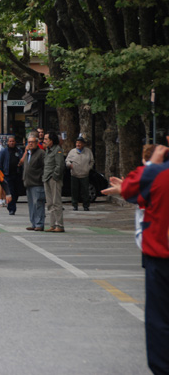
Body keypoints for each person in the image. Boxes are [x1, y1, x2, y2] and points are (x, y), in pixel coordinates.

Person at [106, 142, 169, 374]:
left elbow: (134, 187)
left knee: (160, 319)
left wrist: (152, 163)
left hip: (161, 256)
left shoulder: (156, 172)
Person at [23, 133, 46, 231]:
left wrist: (42, 178)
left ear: (37, 143)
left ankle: (39, 224)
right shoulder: (28, 153)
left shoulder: (41, 153)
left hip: (37, 183)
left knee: (38, 203)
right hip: (28, 182)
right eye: (29, 142)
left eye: (32, 142)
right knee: (31, 204)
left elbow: (45, 167)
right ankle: (33, 223)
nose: (30, 144)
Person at [43, 131, 65, 232]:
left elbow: (60, 165)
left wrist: (55, 176)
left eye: (46, 139)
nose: (44, 141)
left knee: (56, 202)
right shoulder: (47, 150)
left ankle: (59, 225)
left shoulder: (58, 150)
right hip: (46, 177)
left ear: (52, 141)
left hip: (53, 179)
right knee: (50, 203)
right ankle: (52, 224)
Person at [0, 135, 23, 215]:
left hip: (17, 174)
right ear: (7, 142)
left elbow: (22, 161)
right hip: (7, 175)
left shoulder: (18, 151)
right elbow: (0, 163)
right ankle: (11, 208)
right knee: (10, 192)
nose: (11, 143)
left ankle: (13, 203)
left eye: (13, 141)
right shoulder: (3, 152)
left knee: (16, 192)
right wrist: (0, 174)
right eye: (10, 141)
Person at [66, 136, 94, 211]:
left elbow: (92, 161)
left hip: (84, 174)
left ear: (83, 144)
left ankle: (86, 205)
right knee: (74, 191)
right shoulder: (72, 152)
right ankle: (75, 205)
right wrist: (69, 164)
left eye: (80, 143)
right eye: (77, 143)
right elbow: (67, 161)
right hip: (74, 174)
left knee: (85, 191)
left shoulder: (88, 151)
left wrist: (88, 168)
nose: (78, 144)